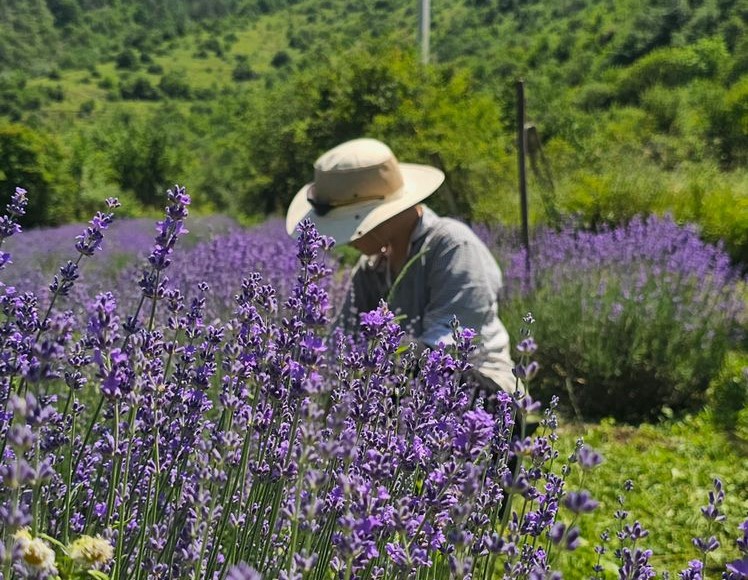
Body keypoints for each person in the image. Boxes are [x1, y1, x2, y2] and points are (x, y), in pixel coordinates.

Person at [285, 137, 517, 398]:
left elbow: (449, 347)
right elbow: (342, 338)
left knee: (427, 367)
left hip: (482, 392)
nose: (347, 240)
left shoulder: (453, 245)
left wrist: (379, 356)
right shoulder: (371, 269)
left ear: (379, 217)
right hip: (401, 392)